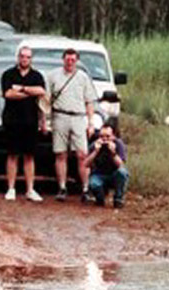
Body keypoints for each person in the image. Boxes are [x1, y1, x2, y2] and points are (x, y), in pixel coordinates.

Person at [46, 48, 98, 202]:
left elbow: (89, 101)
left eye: (73, 60)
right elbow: (46, 101)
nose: (70, 62)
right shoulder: (53, 76)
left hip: (78, 117)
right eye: (67, 59)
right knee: (60, 154)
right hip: (60, 115)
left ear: (76, 61)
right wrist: (45, 120)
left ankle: (85, 188)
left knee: (82, 155)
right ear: (63, 59)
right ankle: (62, 187)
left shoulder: (83, 77)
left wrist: (91, 123)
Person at [1, 46, 46, 202]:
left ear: (31, 59)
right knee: (12, 154)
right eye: (22, 56)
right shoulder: (8, 74)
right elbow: (8, 94)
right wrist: (28, 94)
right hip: (12, 120)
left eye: (27, 57)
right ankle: (11, 188)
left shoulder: (37, 76)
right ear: (18, 57)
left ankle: (30, 189)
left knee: (29, 156)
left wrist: (22, 88)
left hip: (30, 121)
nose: (24, 59)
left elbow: (41, 92)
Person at [84, 124, 129, 208]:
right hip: (99, 175)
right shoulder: (95, 144)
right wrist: (95, 152)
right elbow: (86, 164)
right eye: (101, 136)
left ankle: (118, 198)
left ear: (113, 136)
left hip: (114, 174)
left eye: (107, 136)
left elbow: (121, 165)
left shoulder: (118, 144)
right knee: (94, 183)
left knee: (122, 173)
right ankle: (100, 198)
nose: (104, 139)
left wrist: (113, 153)